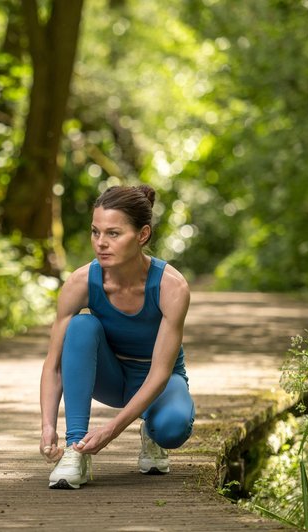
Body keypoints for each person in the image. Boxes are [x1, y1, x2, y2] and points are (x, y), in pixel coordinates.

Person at [39, 184, 195, 489]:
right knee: (81, 326)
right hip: (108, 376)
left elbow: (161, 372)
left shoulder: (171, 287)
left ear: (142, 235)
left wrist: (111, 431)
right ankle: (75, 451)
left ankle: (152, 433)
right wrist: (47, 426)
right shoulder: (81, 282)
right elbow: (54, 364)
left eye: (113, 233)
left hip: (156, 380)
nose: (101, 243)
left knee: (173, 427)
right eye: (96, 232)